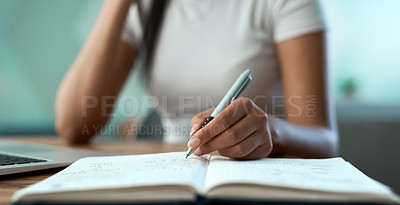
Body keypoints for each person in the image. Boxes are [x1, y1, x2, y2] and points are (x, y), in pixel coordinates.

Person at [55, 0, 338, 160]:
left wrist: (271, 132)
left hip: (256, 172)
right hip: (172, 172)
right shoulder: (144, 8)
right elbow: (73, 124)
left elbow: (324, 140)